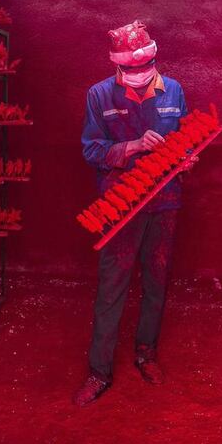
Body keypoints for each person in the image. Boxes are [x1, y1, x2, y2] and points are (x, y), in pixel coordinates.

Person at [74, 20, 191, 406]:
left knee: (156, 281)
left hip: (164, 201)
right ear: (119, 67)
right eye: (132, 70)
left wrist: (187, 159)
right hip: (121, 203)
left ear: (155, 59)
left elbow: (186, 142)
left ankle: (146, 353)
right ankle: (99, 371)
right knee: (112, 286)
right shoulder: (99, 95)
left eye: (146, 68)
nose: (140, 76)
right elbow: (91, 151)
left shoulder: (173, 90)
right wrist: (134, 146)